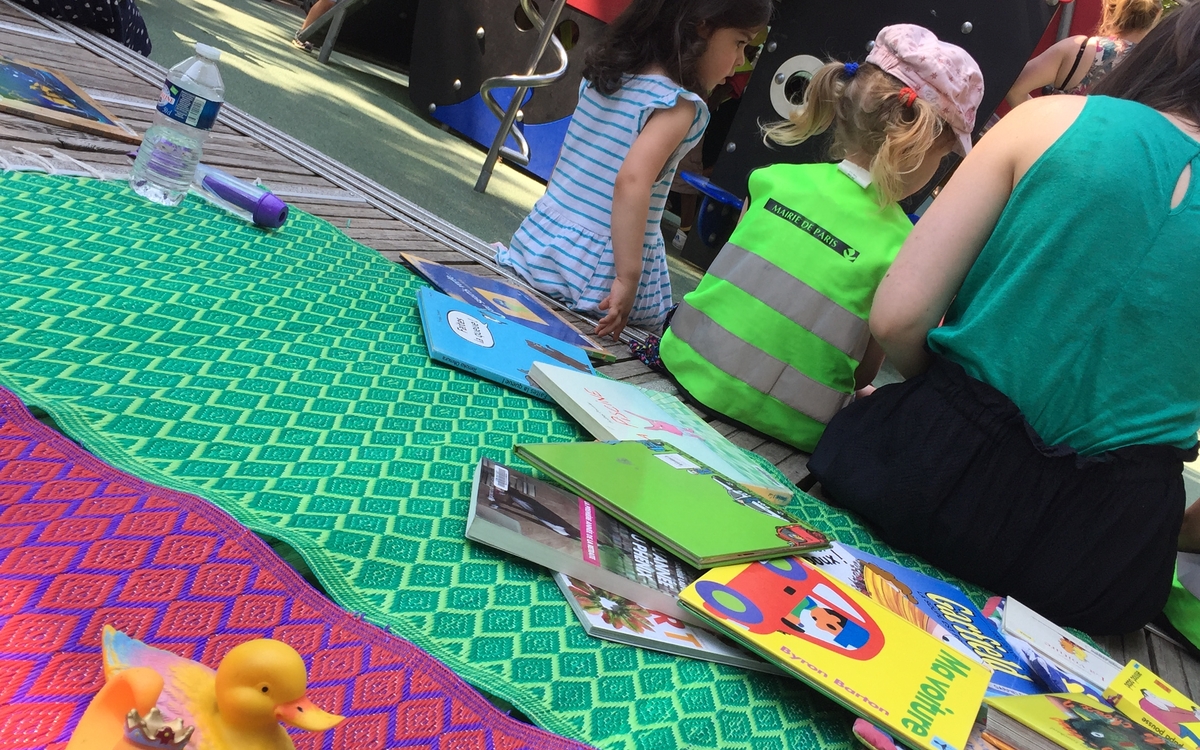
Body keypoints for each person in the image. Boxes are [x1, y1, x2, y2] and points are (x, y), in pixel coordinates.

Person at [808, 3, 1200, 635]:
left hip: (924, 473)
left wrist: (946, 401)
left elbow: (899, 317)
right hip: (1100, 557)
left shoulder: (1044, 121)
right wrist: (1165, 533)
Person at [655, 25, 984, 453]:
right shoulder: (905, 246)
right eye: (944, 157)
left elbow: (731, 283)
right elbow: (863, 375)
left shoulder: (771, 181)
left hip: (683, 360)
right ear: (917, 146)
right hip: (791, 425)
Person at [496, 0, 772, 339]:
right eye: (740, 42)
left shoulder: (609, 76)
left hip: (539, 244)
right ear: (702, 26)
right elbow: (632, 180)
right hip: (599, 274)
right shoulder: (676, 104)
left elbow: (572, 161)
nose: (741, 60)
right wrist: (628, 276)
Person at [1004, 0, 1162, 108]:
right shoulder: (1159, 71)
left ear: (1107, 6)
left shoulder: (1079, 49)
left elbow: (1015, 89)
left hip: (1052, 146)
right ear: (1158, 14)